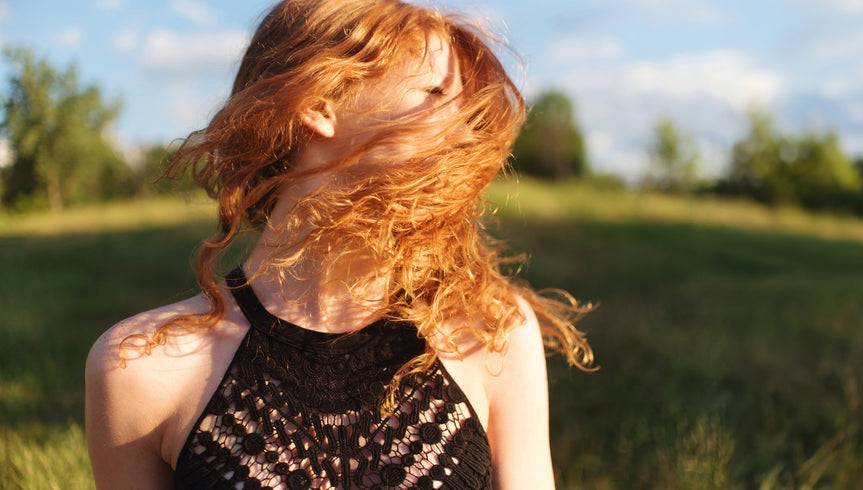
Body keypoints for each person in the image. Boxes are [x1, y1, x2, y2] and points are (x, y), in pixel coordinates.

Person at [84, 0, 594, 488]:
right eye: (437, 94)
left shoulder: (491, 333)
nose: (465, 138)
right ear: (318, 102)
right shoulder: (143, 372)